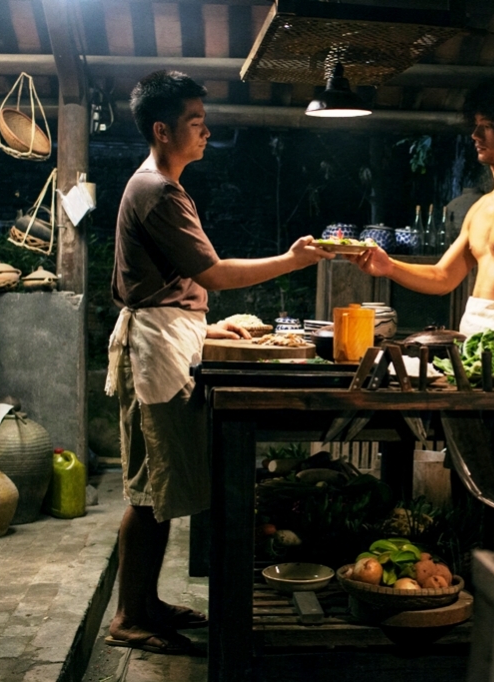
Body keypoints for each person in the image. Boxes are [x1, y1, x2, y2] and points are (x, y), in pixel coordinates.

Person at [103, 70, 333, 655]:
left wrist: (206, 327)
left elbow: (167, 286)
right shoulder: (157, 191)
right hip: (153, 351)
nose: (206, 132)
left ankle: (148, 603)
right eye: (196, 122)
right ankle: (129, 616)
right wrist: (292, 259)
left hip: (168, 339)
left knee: (160, 488)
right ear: (163, 130)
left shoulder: (161, 186)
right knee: (149, 492)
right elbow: (215, 274)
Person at [350, 78, 494, 466]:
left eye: (488, 127)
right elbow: (444, 277)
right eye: (475, 125)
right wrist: (388, 266)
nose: (475, 135)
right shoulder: (481, 207)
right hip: (472, 332)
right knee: (470, 456)